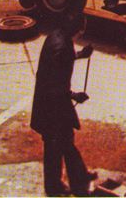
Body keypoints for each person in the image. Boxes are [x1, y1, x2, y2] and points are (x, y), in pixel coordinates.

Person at [31, 13, 95, 196]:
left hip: (51, 103)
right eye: (81, 31)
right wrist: (75, 96)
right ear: (78, 30)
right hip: (53, 107)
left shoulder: (56, 36)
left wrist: (80, 55)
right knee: (55, 147)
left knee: (65, 142)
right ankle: (53, 187)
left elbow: (60, 60)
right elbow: (54, 84)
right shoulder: (63, 47)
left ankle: (79, 177)